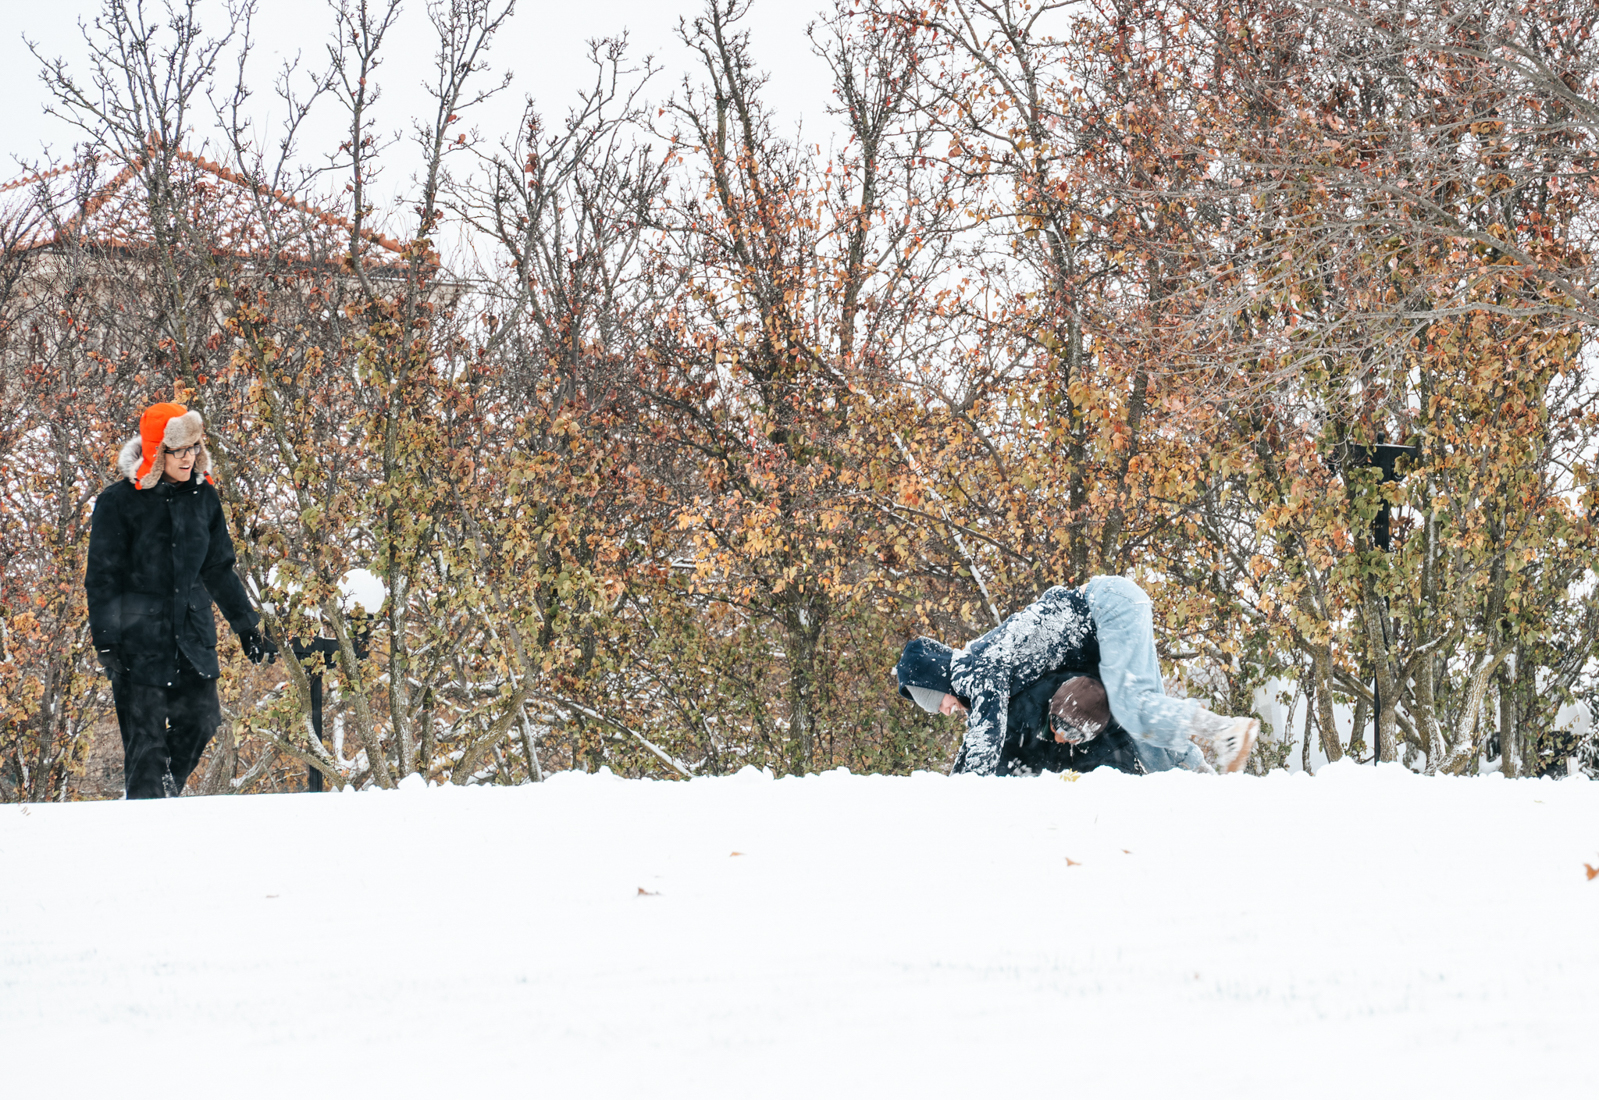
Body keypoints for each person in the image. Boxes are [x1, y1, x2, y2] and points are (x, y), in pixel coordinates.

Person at [85, 401, 278, 798]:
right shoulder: (119, 503)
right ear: (157, 451)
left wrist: (247, 628)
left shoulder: (205, 498)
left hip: (191, 636)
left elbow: (219, 569)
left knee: (205, 719)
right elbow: (102, 577)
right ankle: (147, 812)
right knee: (146, 748)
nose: (189, 457)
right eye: (178, 450)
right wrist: (106, 640)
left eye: (193, 447)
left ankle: (165, 790)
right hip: (139, 643)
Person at [896, 577, 1257, 775]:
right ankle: (1200, 778)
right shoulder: (982, 664)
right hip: (1106, 615)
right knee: (1135, 714)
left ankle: (1224, 731)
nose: (943, 710)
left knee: (1133, 708)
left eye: (935, 702)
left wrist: (962, 790)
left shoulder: (973, 669)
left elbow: (985, 734)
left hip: (1104, 607)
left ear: (938, 681)